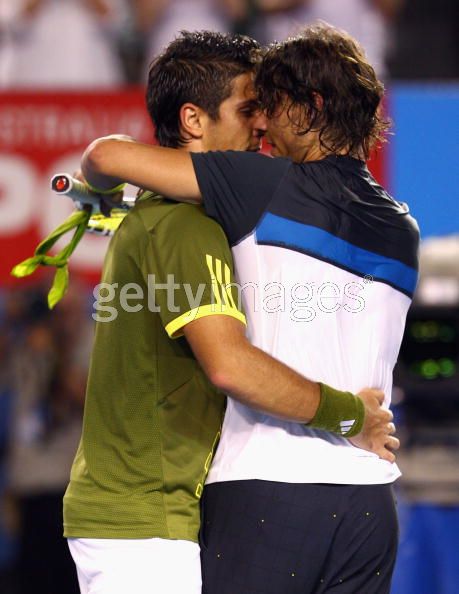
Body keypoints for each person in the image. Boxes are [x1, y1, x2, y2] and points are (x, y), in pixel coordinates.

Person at [79, 24, 416, 593]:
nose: (261, 126)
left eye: (271, 105)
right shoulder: (403, 225)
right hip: (371, 505)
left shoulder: (259, 183)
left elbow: (106, 154)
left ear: (309, 108)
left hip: (268, 494)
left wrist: (99, 194)